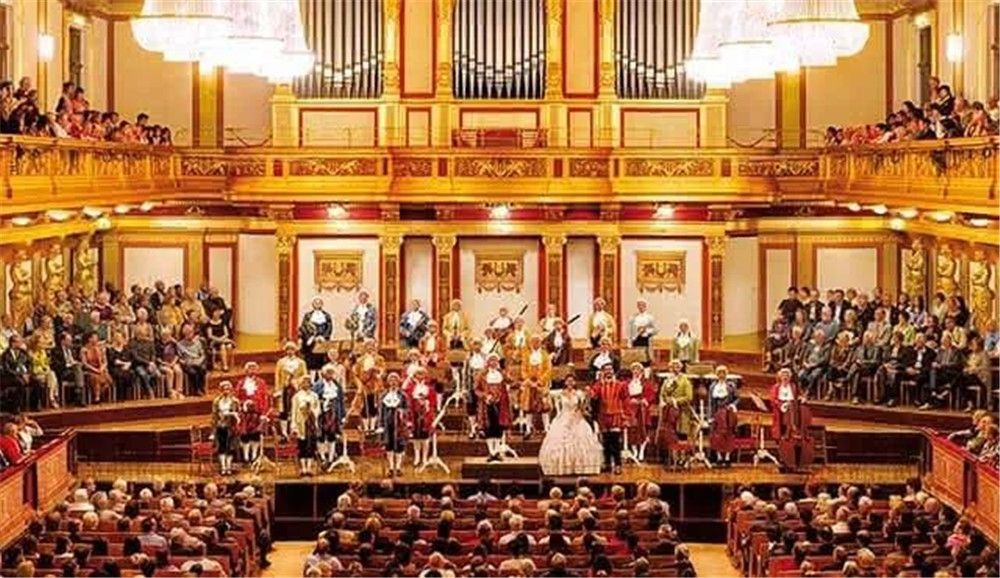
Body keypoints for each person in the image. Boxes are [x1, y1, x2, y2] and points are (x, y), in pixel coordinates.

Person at [539, 378, 603, 476]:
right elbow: (546, 394)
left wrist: (587, 399)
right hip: (563, 419)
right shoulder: (559, 393)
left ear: (574, 382)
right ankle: (561, 467)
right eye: (568, 381)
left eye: (572, 381)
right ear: (565, 382)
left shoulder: (579, 394)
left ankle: (580, 467)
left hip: (576, 419)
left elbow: (582, 407)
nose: (570, 383)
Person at [475, 354, 512, 462]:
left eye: (495, 361)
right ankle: (491, 451)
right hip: (487, 404)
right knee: (489, 428)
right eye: (491, 360)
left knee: (498, 428)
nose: (494, 363)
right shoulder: (482, 375)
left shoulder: (501, 374)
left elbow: (511, 381)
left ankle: (496, 451)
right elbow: (476, 389)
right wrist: (485, 396)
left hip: (500, 404)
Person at [594, 365, 628, 474]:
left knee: (615, 441)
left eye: (610, 369)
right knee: (606, 441)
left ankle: (618, 465)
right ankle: (607, 464)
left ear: (613, 371)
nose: (608, 372)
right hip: (603, 415)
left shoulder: (620, 385)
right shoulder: (599, 385)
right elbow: (594, 396)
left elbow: (625, 399)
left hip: (615, 414)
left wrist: (625, 416)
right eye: (606, 370)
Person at [313, 363, 346, 468]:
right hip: (322, 414)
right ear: (323, 374)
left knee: (332, 436)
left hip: (334, 413)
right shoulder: (317, 385)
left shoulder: (337, 385)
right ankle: (322, 457)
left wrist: (342, 415)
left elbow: (341, 401)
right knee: (321, 436)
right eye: (328, 373)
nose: (330, 375)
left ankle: (331, 458)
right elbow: (314, 399)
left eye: (332, 373)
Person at [405, 367, 438, 468]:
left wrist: (427, 405)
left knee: (425, 437)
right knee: (416, 437)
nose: (420, 376)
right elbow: (408, 400)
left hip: (426, 414)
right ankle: (417, 456)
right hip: (414, 414)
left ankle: (424, 457)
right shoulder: (411, 388)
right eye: (418, 374)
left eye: (422, 374)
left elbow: (433, 402)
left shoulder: (429, 388)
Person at [520, 334, 552, 437]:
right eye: (533, 341)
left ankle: (546, 428)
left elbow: (548, 369)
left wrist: (540, 381)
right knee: (528, 407)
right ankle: (528, 429)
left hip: (541, 384)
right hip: (529, 385)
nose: (535, 343)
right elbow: (523, 369)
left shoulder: (545, 355)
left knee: (544, 407)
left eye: (537, 341)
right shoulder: (526, 355)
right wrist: (528, 381)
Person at [351, 339, 386, 432]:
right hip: (365, 386)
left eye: (372, 345)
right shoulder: (360, 360)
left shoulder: (379, 359)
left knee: (375, 405)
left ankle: (374, 426)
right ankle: (365, 426)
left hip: (375, 385)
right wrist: (360, 384)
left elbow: (383, 371)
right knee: (364, 406)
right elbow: (356, 374)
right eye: (368, 345)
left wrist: (377, 372)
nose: (370, 347)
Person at [379, 372, 409, 476]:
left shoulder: (403, 395)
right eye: (391, 380)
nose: (393, 382)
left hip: (399, 424)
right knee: (389, 445)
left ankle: (398, 467)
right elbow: (381, 411)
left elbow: (407, 409)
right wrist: (381, 425)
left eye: (395, 380)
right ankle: (391, 467)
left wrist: (402, 413)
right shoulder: (384, 395)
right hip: (388, 423)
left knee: (399, 445)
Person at [624, 362, 655, 462]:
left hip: (642, 408)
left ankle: (642, 450)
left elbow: (651, 395)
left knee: (642, 429)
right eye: (634, 369)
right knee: (632, 429)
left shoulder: (646, 382)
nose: (636, 371)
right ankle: (634, 451)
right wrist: (629, 400)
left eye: (638, 369)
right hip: (631, 408)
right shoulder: (628, 382)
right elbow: (624, 394)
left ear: (641, 371)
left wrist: (645, 400)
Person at [291, 378, 320, 476]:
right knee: (302, 446)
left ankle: (309, 468)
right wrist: (294, 426)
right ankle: (303, 468)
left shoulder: (314, 395)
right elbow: (294, 411)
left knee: (311, 446)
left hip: (311, 424)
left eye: (308, 382)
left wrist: (312, 412)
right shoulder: (296, 397)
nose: (306, 384)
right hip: (301, 423)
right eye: (304, 382)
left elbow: (317, 408)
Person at [211, 381, 240, 476]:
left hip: (231, 427)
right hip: (220, 426)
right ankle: (223, 467)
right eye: (224, 389)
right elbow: (214, 416)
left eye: (228, 389)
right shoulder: (217, 401)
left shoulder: (235, 401)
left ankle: (229, 466)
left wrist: (232, 415)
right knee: (222, 447)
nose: (226, 391)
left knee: (230, 447)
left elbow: (238, 413)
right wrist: (213, 431)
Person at [299, 298, 333, 372]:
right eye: (316, 303)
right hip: (311, 342)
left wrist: (323, 337)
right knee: (311, 360)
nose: (317, 304)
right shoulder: (308, 315)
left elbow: (329, 328)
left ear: (322, 304)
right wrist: (312, 337)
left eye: (319, 303)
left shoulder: (327, 316)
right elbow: (304, 328)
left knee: (322, 360)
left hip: (322, 341)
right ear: (313, 304)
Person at [80, 331, 112, 403]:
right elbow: (85, 364)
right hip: (90, 370)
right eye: (95, 337)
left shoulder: (100, 348)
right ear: (89, 339)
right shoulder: (84, 350)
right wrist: (95, 370)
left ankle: (100, 394)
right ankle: (97, 397)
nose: (97, 338)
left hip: (100, 369)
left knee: (107, 378)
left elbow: (105, 361)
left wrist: (101, 368)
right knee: (96, 378)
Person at [176, 324, 207, 396]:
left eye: (191, 333)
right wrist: (188, 362)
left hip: (198, 361)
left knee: (203, 369)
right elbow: (180, 358)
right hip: (188, 363)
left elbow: (202, 354)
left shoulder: (197, 342)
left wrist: (199, 361)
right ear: (184, 334)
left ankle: (201, 388)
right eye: (188, 333)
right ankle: (196, 390)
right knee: (193, 372)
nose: (190, 335)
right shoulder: (180, 344)